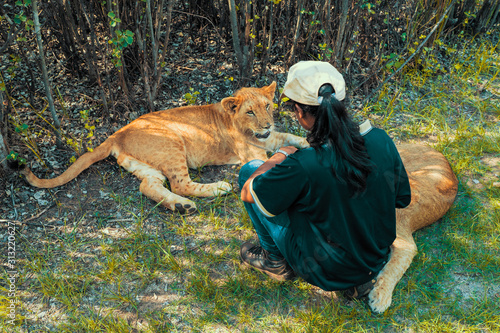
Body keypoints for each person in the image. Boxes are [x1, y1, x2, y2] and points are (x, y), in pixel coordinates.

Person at [238, 61, 412, 297]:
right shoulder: (380, 139)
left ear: (299, 112)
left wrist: (279, 156)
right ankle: (357, 277)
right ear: (342, 104)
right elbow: (401, 199)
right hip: (375, 258)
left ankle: (275, 260)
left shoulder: (303, 164)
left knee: (250, 170)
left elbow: (248, 191)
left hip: (325, 269)